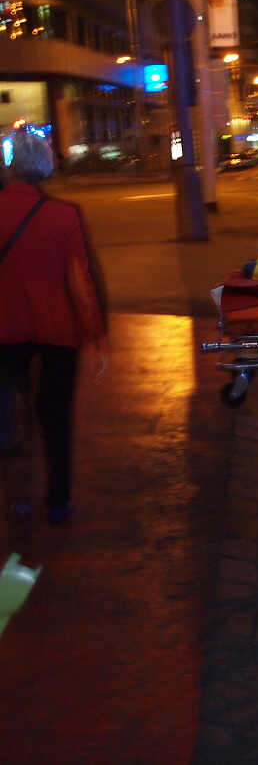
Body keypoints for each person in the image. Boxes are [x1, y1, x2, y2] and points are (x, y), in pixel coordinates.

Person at [0, 127, 108, 526]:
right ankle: (58, 500)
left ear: (12, 168)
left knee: (11, 414)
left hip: (6, 329)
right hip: (58, 330)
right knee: (56, 416)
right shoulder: (65, 215)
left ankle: (17, 498)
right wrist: (95, 334)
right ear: (45, 168)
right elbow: (80, 282)